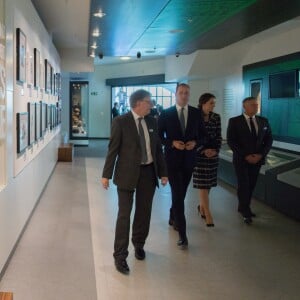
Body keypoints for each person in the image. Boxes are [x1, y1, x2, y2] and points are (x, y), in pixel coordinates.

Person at [101, 89, 168, 275]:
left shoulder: (152, 121)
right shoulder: (121, 122)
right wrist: (105, 174)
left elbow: (157, 150)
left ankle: (139, 244)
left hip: (148, 172)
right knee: (124, 215)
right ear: (138, 103)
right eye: (149, 101)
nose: (152, 104)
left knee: (144, 212)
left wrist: (163, 173)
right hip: (126, 174)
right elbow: (112, 149)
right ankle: (120, 255)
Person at [158, 83, 205, 249]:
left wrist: (195, 143)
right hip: (172, 160)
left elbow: (203, 136)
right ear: (176, 94)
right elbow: (158, 137)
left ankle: (172, 215)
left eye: (187, 93)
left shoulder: (196, 113)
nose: (184, 96)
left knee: (181, 193)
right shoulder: (166, 113)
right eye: (181, 93)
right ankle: (183, 234)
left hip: (189, 160)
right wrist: (171, 143)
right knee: (177, 194)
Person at [227, 96, 273, 224]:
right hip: (241, 160)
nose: (255, 107)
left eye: (256, 105)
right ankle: (246, 210)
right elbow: (231, 141)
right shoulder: (235, 121)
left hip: (257, 159)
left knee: (251, 184)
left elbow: (269, 139)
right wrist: (246, 155)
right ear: (245, 107)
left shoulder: (263, 121)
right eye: (252, 105)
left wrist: (260, 155)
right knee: (244, 184)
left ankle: (243, 206)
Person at [193, 93, 222, 227]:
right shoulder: (194, 116)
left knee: (208, 184)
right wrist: (203, 150)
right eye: (211, 102)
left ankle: (202, 206)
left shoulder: (216, 117)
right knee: (202, 184)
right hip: (199, 155)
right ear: (203, 103)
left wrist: (215, 150)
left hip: (213, 155)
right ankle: (208, 214)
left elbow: (218, 136)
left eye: (214, 103)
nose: (213, 105)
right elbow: (192, 136)